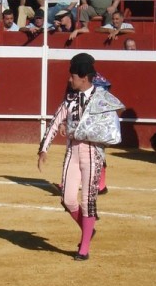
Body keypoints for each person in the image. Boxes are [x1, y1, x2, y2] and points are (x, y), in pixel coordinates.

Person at [38, 53, 124, 261]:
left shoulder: (102, 100)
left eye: (73, 76)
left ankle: (84, 248)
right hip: (73, 152)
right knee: (68, 200)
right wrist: (43, 149)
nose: (70, 80)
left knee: (87, 202)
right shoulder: (70, 99)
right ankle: (88, 229)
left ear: (84, 77)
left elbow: (114, 120)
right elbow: (55, 121)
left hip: (93, 154)